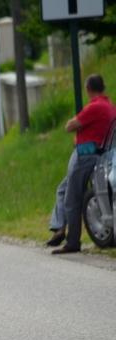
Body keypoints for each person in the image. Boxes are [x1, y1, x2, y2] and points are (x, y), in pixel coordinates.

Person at [51, 74, 116, 254]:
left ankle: (72, 242)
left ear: (88, 89)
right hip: (104, 155)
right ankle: (58, 228)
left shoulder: (94, 107)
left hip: (86, 156)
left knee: (72, 198)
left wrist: (77, 125)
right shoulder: (111, 107)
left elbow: (70, 126)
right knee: (63, 189)